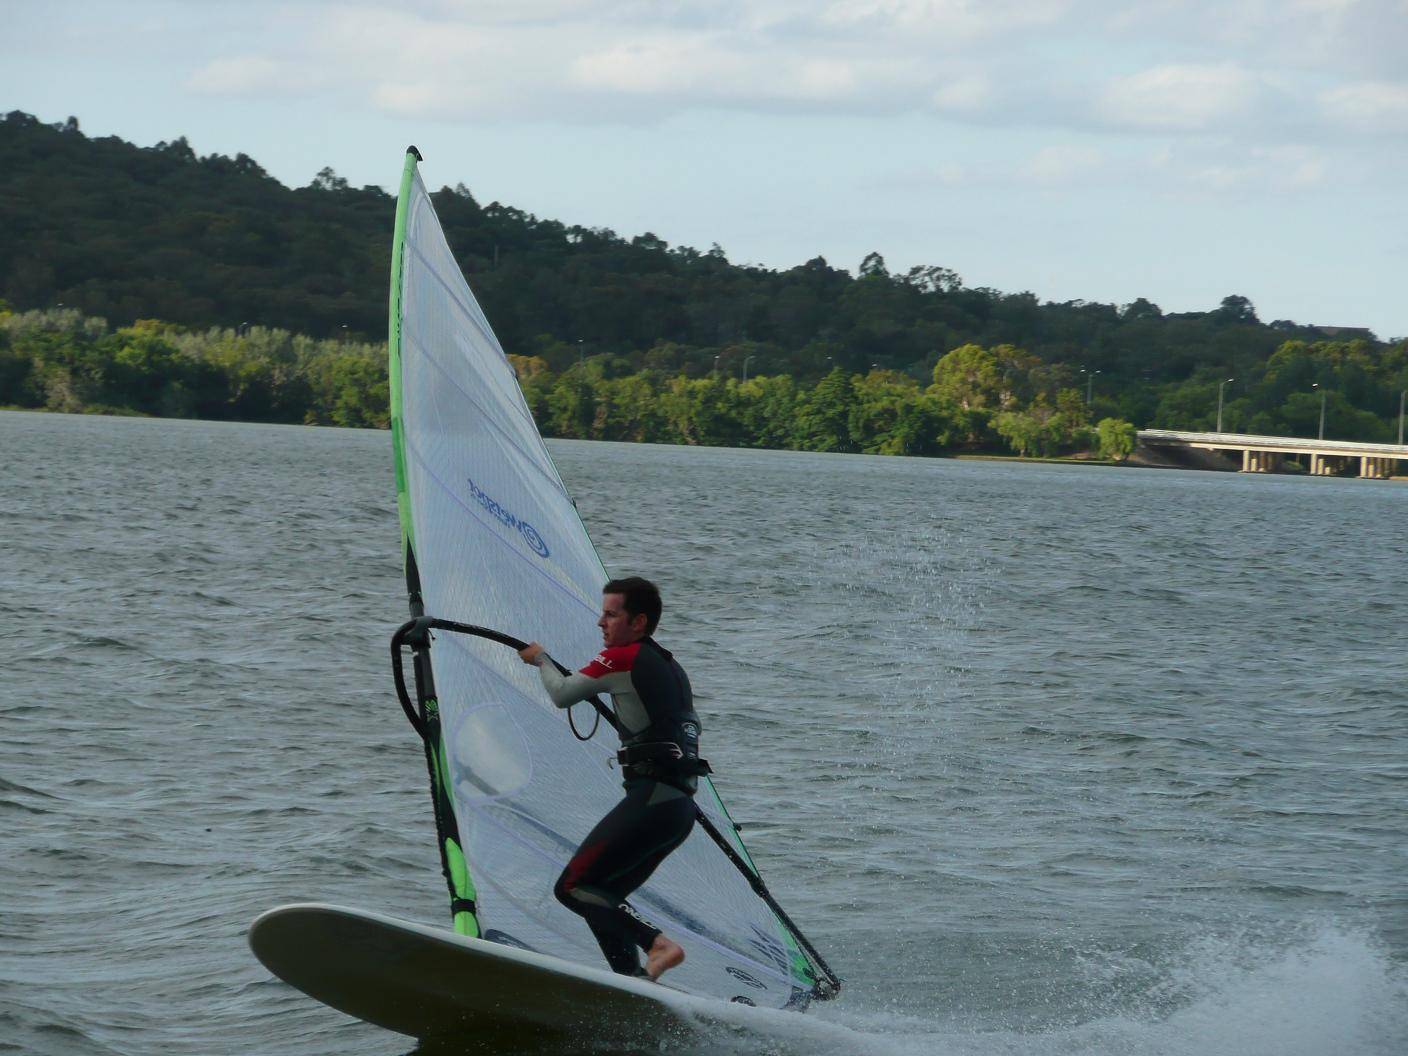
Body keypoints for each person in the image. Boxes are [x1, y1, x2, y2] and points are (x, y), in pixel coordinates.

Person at [518, 576, 707, 981]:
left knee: (573, 887)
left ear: (638, 622)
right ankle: (633, 981)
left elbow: (562, 693)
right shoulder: (670, 667)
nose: (600, 623)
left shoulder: (622, 657)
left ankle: (658, 944)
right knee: (601, 893)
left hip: (653, 801)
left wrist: (540, 659)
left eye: (611, 614)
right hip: (677, 809)